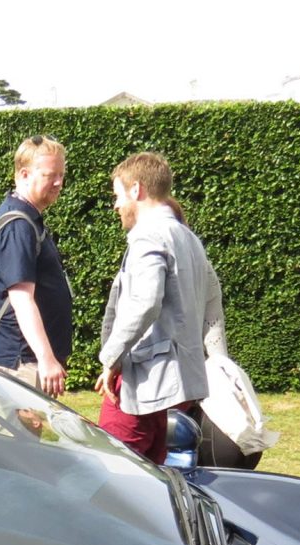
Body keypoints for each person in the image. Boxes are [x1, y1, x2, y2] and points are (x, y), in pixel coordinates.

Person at [94, 152, 226, 465]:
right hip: (179, 385)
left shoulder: (147, 234)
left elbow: (145, 302)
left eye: (118, 195)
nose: (116, 205)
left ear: (136, 190)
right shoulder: (189, 238)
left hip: (143, 381)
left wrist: (110, 357)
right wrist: (219, 361)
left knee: (113, 472)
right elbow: (213, 301)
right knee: (155, 481)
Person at [0, 135, 73, 397]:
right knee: (20, 436)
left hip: (26, 360)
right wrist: (45, 358)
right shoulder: (18, 225)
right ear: (24, 174)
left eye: (61, 174)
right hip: (21, 362)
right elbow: (21, 298)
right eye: (50, 175)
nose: (59, 182)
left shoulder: (27, 218)